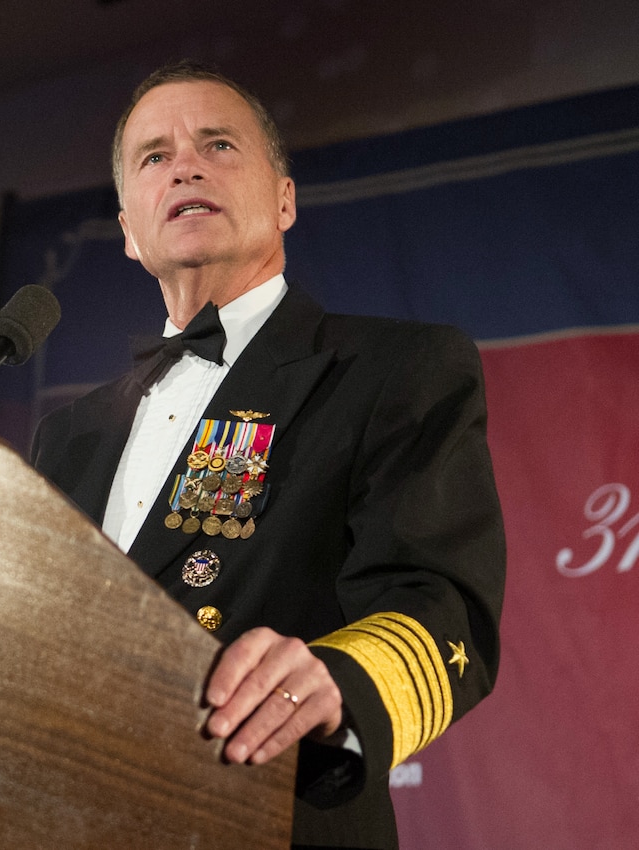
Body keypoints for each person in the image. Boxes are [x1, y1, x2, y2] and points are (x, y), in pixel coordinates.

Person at [31, 61, 505, 850]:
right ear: (127, 229)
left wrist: (337, 682)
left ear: (284, 199)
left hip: (272, 814)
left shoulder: (396, 368)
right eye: (155, 156)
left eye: (218, 144)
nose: (185, 163)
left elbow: (443, 605)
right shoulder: (69, 435)